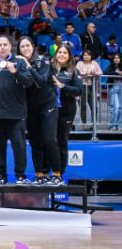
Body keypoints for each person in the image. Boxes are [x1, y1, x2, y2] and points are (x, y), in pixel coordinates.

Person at [0, 36, 33, 185]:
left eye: (5, 44)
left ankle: (20, 175)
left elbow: (29, 82)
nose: (3, 47)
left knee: (19, 146)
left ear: (10, 46)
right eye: (0, 45)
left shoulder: (19, 62)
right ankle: (0, 176)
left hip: (16, 114)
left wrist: (15, 72)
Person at [17, 37, 62, 185]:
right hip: (31, 108)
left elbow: (41, 81)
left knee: (49, 140)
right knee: (35, 142)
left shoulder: (43, 61)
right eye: (22, 46)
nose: (25, 48)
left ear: (33, 46)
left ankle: (56, 174)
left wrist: (28, 66)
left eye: (27, 45)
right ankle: (40, 174)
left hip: (48, 105)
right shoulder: (18, 64)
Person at [52, 45, 82, 176]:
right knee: (49, 141)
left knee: (62, 141)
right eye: (60, 52)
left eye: (65, 53)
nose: (62, 55)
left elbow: (79, 90)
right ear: (56, 54)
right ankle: (48, 171)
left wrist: (62, 86)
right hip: (50, 111)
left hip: (66, 112)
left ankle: (59, 173)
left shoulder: (73, 71)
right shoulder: (50, 69)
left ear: (69, 56)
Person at [76, 49, 102, 127]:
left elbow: (100, 72)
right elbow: (77, 73)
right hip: (82, 86)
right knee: (82, 104)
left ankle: (93, 123)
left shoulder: (94, 63)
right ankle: (83, 122)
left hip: (92, 86)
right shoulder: (80, 63)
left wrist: (94, 73)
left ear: (91, 56)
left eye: (88, 55)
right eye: (85, 55)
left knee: (93, 105)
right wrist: (83, 73)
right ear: (82, 56)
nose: (86, 57)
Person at [105, 54, 122, 131]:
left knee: (120, 108)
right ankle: (113, 125)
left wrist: (118, 72)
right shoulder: (110, 66)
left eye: (118, 58)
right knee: (115, 107)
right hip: (113, 87)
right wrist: (117, 73)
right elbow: (105, 73)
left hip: (121, 87)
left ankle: (119, 125)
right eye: (115, 58)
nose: (116, 59)